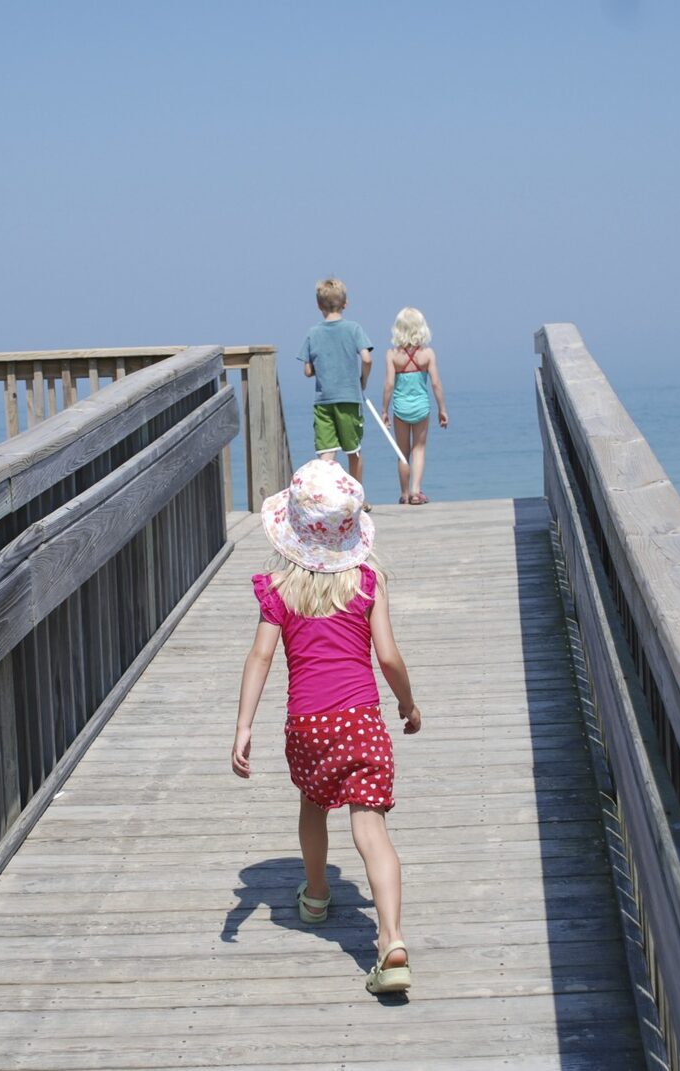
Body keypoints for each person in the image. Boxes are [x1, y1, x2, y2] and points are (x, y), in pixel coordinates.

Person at [232, 458, 422, 994]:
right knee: (371, 829)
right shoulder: (366, 581)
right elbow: (386, 656)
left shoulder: (279, 588)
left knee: (313, 805)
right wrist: (408, 704)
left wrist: (244, 726)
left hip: (307, 726)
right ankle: (391, 941)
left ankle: (315, 895)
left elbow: (261, 658)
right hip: (362, 720)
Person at [299, 278, 373, 504]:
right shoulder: (354, 329)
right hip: (350, 397)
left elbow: (308, 370)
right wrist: (363, 379)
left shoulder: (313, 333)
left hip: (323, 401)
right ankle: (356, 498)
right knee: (354, 450)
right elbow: (367, 358)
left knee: (326, 454)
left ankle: (327, 501)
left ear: (319, 306)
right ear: (345, 303)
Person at [380, 307, 450, 505]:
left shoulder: (392, 355)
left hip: (401, 408)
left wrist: (384, 410)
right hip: (421, 407)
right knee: (419, 449)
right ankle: (416, 492)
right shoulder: (427, 354)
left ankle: (403, 494)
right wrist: (442, 409)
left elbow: (389, 384)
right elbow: (436, 383)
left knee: (403, 452)